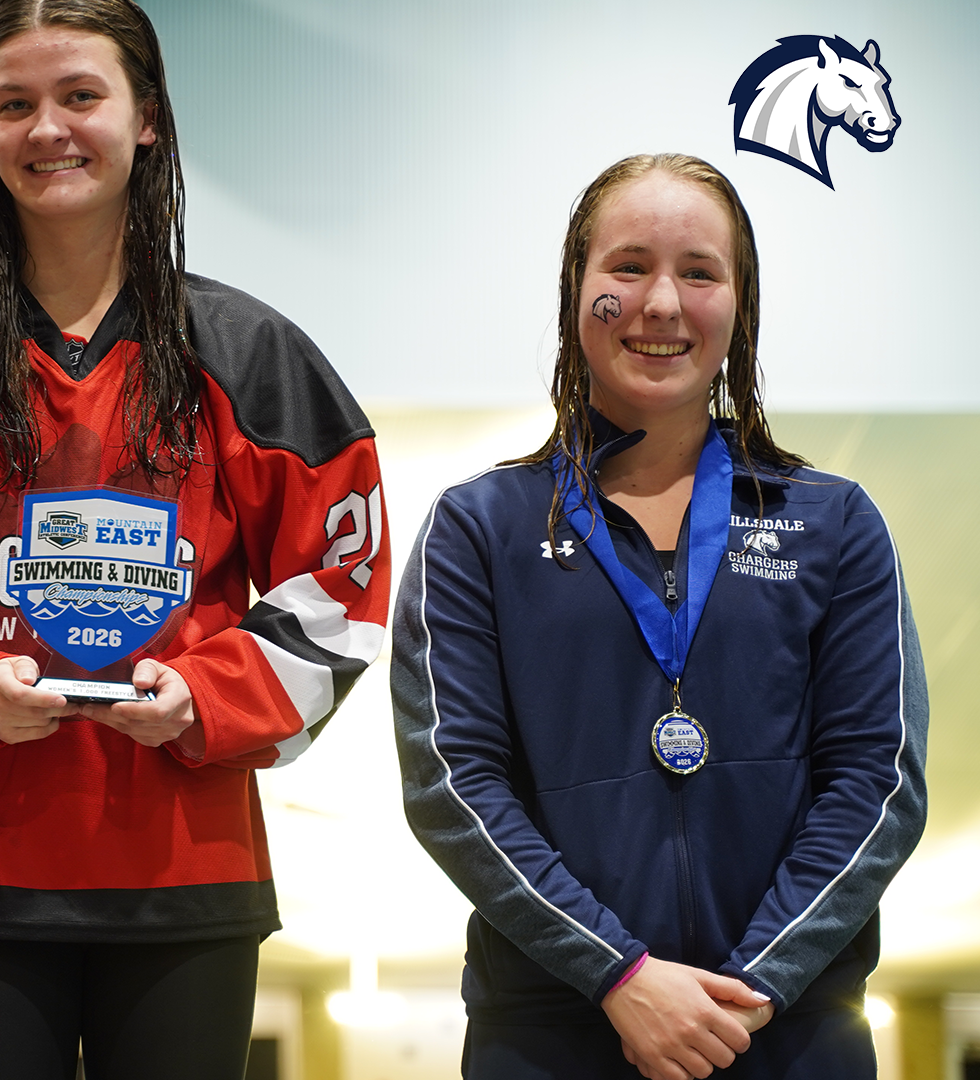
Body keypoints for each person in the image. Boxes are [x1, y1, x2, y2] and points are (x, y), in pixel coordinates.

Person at [0, 2, 389, 1077]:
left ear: (145, 118)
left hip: (188, 874)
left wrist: (210, 696)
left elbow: (343, 577)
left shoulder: (250, 357)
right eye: (14, 105)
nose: (48, 128)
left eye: (80, 96)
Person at [393, 153, 927, 1080]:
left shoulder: (834, 521)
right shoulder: (480, 528)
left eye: (700, 273)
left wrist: (754, 986)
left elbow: (877, 779)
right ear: (577, 291)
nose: (663, 304)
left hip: (787, 1028)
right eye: (629, 267)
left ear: (740, 303)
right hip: (550, 1032)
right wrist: (621, 975)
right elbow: (454, 783)